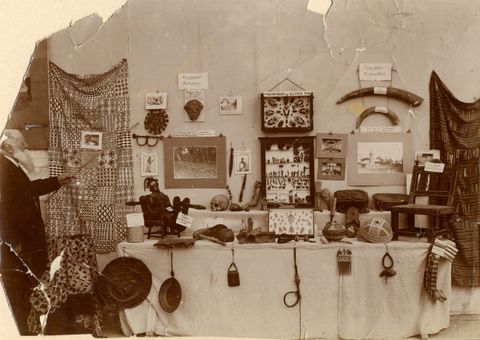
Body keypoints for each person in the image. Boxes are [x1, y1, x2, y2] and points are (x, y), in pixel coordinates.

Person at [0, 129, 72, 335]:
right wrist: (12, 241)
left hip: (26, 243)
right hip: (19, 245)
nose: (27, 148)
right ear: (9, 147)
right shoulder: (2, 167)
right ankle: (23, 332)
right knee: (20, 291)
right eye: (23, 145)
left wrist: (57, 180)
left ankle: (30, 329)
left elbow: (28, 189)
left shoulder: (12, 166)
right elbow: (2, 208)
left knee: (28, 288)